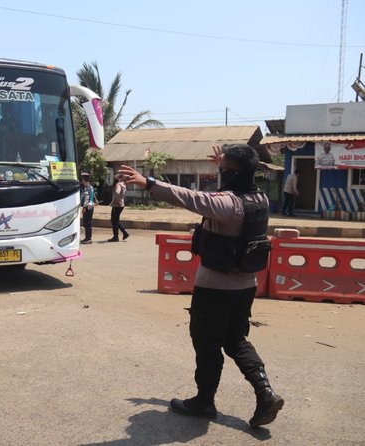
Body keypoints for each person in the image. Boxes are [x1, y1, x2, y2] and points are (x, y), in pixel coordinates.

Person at [118, 144, 284, 428]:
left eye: (223, 169)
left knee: (207, 344)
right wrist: (228, 163)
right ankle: (265, 391)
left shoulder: (227, 204)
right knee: (235, 340)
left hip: (215, 288)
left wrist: (150, 183)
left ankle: (204, 402)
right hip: (245, 286)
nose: (219, 172)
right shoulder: (259, 198)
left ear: (232, 173)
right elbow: (231, 183)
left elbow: (190, 198)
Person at [108, 175, 130, 242]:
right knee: (115, 220)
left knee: (114, 220)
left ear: (119, 178)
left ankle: (116, 236)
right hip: (121, 204)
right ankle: (123, 233)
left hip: (117, 205)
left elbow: (117, 192)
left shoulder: (118, 184)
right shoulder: (124, 184)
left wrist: (116, 200)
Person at [80, 172, 95, 244]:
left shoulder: (86, 187)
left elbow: (87, 198)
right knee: (88, 222)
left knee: (87, 223)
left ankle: (88, 238)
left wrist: (84, 207)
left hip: (88, 207)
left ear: (83, 179)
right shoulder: (90, 186)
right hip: (91, 206)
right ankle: (87, 237)